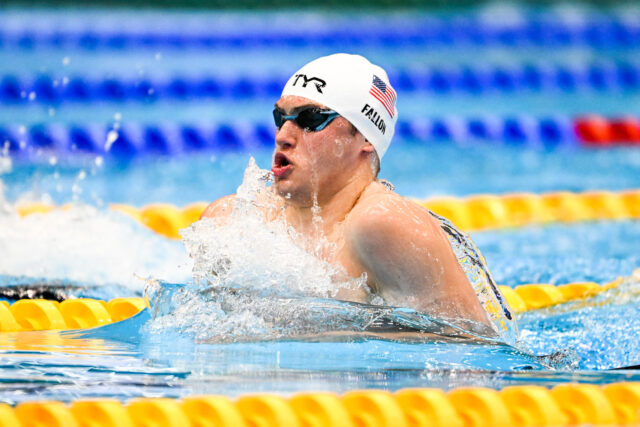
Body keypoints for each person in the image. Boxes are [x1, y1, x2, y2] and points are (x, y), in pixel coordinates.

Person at [202, 53, 491, 327]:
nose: (283, 136)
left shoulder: (383, 223)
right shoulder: (232, 223)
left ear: (364, 136)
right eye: (281, 118)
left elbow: (474, 351)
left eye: (311, 119)